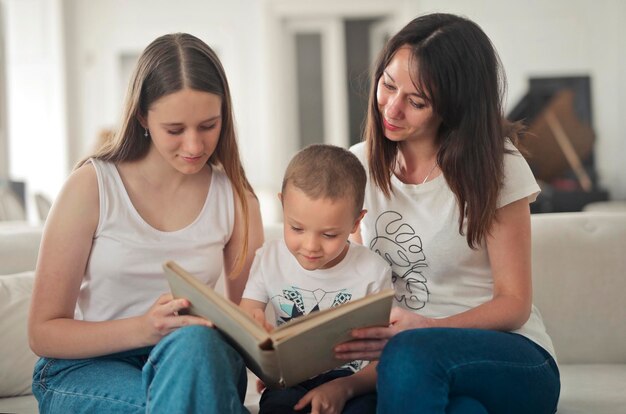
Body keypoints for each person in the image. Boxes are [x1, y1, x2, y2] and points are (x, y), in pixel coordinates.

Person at [335, 13, 560, 414]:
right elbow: (360, 288)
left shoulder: (498, 167)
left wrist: (428, 329)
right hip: (408, 363)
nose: (392, 107)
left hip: (512, 356)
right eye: (388, 85)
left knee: (410, 357)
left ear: (453, 108)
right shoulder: (358, 166)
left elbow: (514, 303)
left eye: (417, 102)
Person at [28, 33, 264, 413]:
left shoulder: (236, 198)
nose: (194, 146)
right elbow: (42, 332)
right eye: (175, 130)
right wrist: (145, 328)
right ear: (142, 116)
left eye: (208, 125)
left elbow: (245, 321)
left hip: (192, 359)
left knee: (196, 352)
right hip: (89, 367)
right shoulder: (92, 186)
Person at [240, 144, 392, 414]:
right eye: (296, 228)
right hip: (290, 382)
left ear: (356, 223)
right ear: (282, 205)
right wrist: (259, 338)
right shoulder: (269, 259)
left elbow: (385, 356)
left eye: (329, 235)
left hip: (352, 383)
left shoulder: (373, 272)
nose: (310, 246)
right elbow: (247, 315)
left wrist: (345, 387)